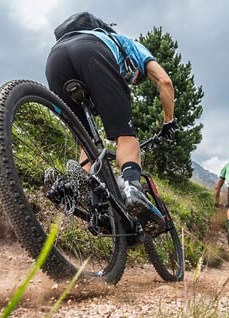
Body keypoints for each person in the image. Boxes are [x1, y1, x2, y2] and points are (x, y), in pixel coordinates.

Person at [45, 12, 177, 223]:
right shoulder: (125, 42)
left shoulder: (69, 38)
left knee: (86, 144)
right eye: (136, 80)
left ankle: (77, 189)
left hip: (54, 60)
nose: (133, 82)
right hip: (92, 52)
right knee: (125, 137)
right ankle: (133, 189)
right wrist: (168, 121)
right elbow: (165, 82)